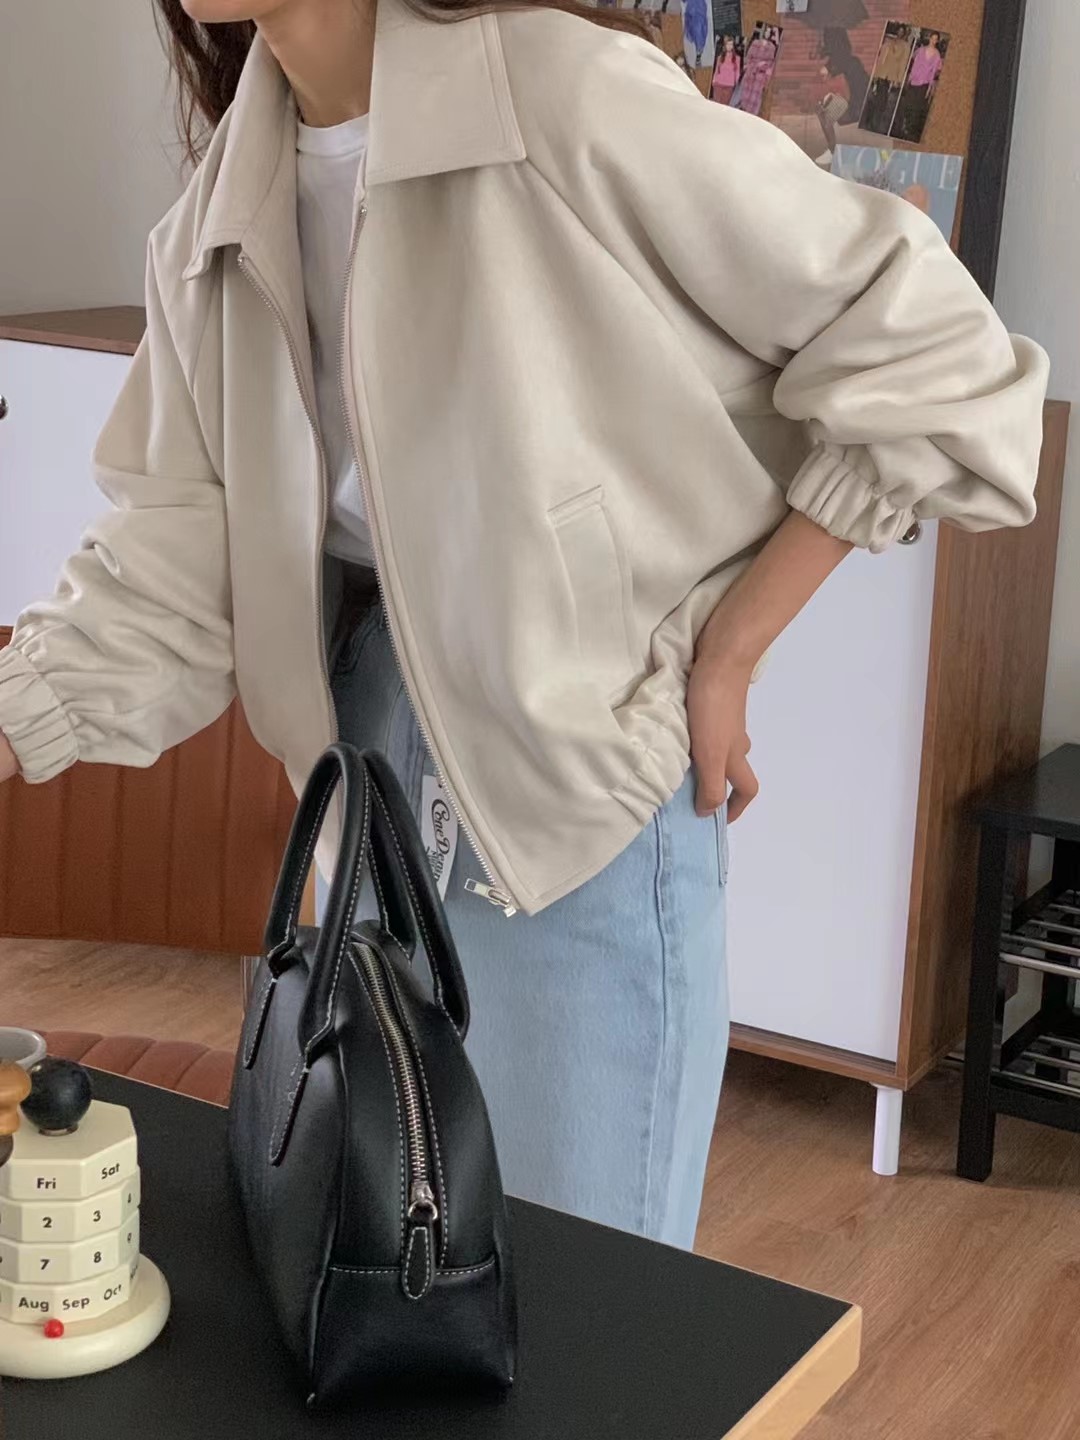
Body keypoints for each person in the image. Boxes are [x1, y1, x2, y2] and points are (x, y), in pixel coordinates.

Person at [0, 0, 1047, 1250]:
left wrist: (732, 648)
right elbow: (181, 566)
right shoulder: (217, 218)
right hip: (358, 800)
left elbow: (940, 355)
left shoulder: (559, 95)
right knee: (393, 1284)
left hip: (577, 793)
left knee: (585, 1297)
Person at [895, 30, 944, 141]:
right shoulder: (920, 50)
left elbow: (934, 72)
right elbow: (914, 64)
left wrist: (930, 87)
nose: (933, 41)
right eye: (932, 38)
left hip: (924, 83)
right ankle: (904, 123)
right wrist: (909, 77)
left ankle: (910, 128)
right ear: (929, 38)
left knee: (917, 107)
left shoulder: (937, 55)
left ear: (937, 41)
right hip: (914, 80)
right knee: (908, 103)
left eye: (935, 39)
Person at [734, 23, 778, 116]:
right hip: (750, 72)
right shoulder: (755, 43)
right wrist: (750, 67)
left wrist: (763, 69)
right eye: (766, 31)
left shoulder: (772, 47)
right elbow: (749, 57)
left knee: (755, 98)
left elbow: (770, 63)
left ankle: (751, 116)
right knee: (744, 95)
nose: (767, 33)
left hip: (760, 76)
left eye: (769, 32)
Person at [711, 32, 741, 104]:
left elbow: (737, 72)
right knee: (716, 104)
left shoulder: (737, 58)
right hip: (718, 84)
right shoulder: (720, 57)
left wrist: (735, 82)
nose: (729, 46)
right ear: (725, 45)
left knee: (724, 105)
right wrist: (714, 80)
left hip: (729, 85)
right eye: (728, 44)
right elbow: (716, 70)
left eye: (731, 44)